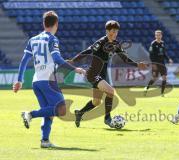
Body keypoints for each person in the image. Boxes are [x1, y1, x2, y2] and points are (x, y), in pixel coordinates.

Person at [13, 11, 85, 148]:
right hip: (48, 81)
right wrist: (75, 69)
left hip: (36, 81)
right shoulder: (52, 39)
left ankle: (45, 141)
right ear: (56, 24)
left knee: (49, 111)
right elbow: (57, 59)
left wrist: (19, 80)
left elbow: (24, 61)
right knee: (61, 110)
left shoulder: (32, 40)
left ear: (43, 23)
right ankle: (29, 114)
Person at [70, 20, 146, 128]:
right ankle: (107, 119)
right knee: (111, 91)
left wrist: (137, 65)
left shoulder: (115, 44)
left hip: (102, 74)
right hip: (93, 73)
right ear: (107, 31)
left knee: (96, 102)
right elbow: (88, 51)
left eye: (116, 32)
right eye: (113, 31)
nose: (115, 34)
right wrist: (73, 60)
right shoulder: (101, 42)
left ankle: (79, 113)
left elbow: (124, 58)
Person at [144, 30, 173, 96]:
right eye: (156, 35)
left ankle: (162, 93)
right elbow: (150, 55)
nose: (158, 36)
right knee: (155, 78)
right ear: (155, 36)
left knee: (164, 77)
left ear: (161, 35)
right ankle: (147, 88)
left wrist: (169, 59)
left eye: (159, 35)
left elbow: (164, 53)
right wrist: (153, 64)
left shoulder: (162, 43)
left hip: (162, 63)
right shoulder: (153, 44)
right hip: (155, 63)